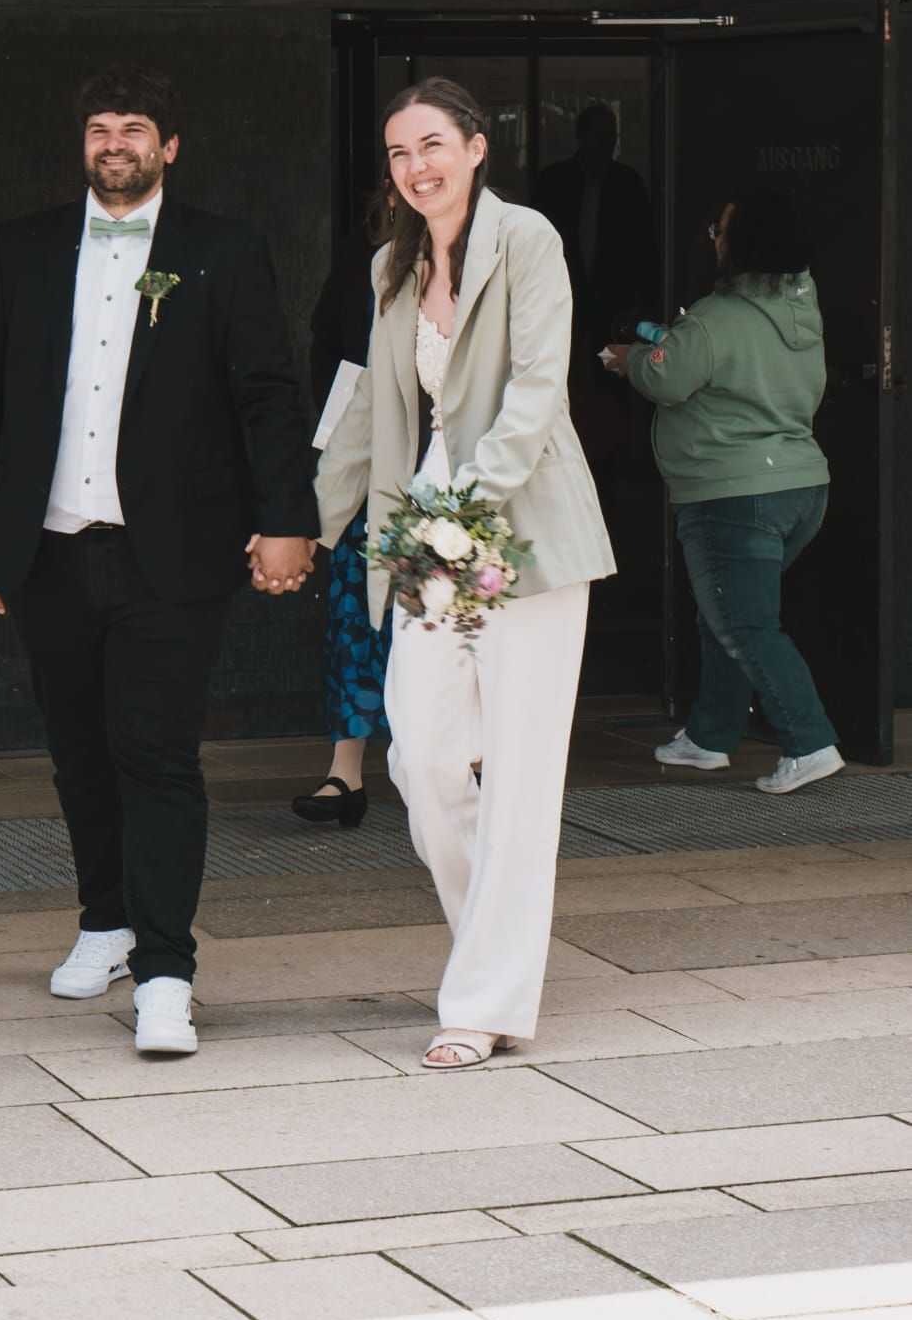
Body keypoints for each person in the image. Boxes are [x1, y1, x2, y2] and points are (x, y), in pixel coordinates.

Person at [0, 66, 318, 1056]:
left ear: (169, 146)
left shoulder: (223, 250)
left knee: (155, 755)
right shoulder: (22, 248)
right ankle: (105, 921)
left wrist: (289, 516)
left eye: (135, 128)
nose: (116, 144)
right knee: (78, 753)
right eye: (100, 129)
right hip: (48, 547)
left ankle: (165, 973)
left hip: (172, 552)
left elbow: (268, 394)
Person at [316, 78, 615, 1070]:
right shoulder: (390, 267)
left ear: (477, 147)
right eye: (399, 152)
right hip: (425, 521)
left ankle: (482, 997)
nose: (416, 166)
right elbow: (368, 406)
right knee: (421, 757)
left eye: (432, 144)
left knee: (522, 772)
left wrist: (466, 508)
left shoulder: (526, 238)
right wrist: (305, 524)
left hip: (521, 521)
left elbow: (537, 388)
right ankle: (497, 945)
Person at [605, 188, 841, 794]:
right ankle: (710, 736)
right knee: (726, 611)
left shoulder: (717, 316)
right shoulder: (802, 310)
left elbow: (668, 378)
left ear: (745, 243)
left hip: (733, 493)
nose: (714, 239)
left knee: (744, 622)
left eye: (721, 230)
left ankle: (810, 742)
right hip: (801, 487)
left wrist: (631, 360)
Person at [291, 188, 395, 829]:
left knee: (450, 621)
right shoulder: (366, 257)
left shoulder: (492, 249)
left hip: (454, 474)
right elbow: (329, 346)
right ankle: (345, 772)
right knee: (355, 615)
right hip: (369, 464)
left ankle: (468, 765)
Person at [534, 102, 658, 507]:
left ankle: (603, 480)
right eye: (601, 137)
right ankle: (560, 477)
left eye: (612, 138)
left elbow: (645, 252)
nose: (608, 146)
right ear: (582, 138)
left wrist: (643, 309)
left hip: (613, 313)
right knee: (559, 385)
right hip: (561, 309)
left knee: (610, 391)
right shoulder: (555, 183)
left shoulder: (626, 184)